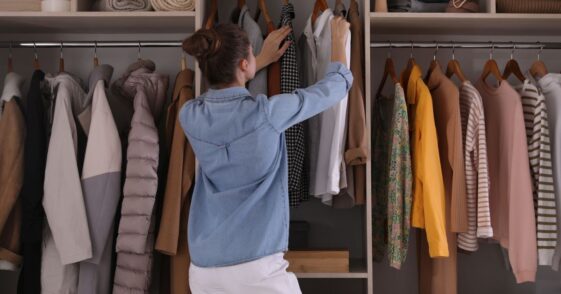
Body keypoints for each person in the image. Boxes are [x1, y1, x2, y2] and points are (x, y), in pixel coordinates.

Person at [180, 17, 353, 294]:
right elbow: (335, 86)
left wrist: (255, 62)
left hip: (203, 269)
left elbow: (222, 96)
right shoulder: (268, 114)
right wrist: (338, 40)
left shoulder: (190, 115)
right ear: (243, 64)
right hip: (255, 269)